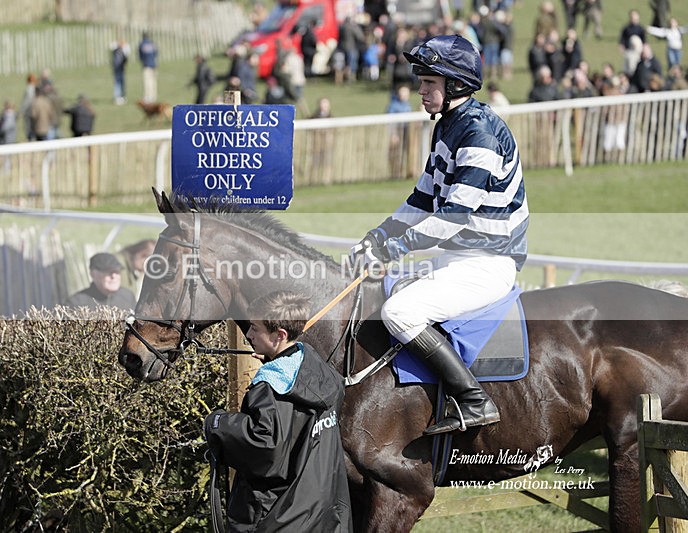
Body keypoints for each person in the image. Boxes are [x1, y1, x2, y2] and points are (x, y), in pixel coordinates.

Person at [350, 35, 528, 435]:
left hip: (487, 263)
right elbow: (422, 199)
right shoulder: (449, 126)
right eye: (421, 80)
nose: (421, 89)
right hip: (460, 258)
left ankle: (473, 399)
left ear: (456, 86)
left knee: (400, 312)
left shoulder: (479, 134)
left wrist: (392, 249)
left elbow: (451, 218)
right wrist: (377, 235)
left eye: (430, 82)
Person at [204, 291, 352, 532]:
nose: (249, 335)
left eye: (254, 328)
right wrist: (274, 360)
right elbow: (295, 423)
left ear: (279, 335)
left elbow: (265, 444)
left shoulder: (270, 386)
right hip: (323, 515)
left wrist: (217, 423)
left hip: (280, 518)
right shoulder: (319, 372)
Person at [66, 252, 136, 310]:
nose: (114, 276)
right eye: (109, 272)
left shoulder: (127, 297)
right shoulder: (76, 303)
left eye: (117, 272)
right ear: (93, 274)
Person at [138, 31, 159, 104]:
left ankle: (148, 97)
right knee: (153, 81)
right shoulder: (152, 43)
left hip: (146, 65)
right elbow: (156, 52)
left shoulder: (142, 44)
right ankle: (153, 96)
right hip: (154, 64)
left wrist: (143, 61)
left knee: (147, 81)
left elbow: (140, 55)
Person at [110, 38, 130, 105]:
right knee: (118, 83)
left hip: (120, 69)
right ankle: (117, 97)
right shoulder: (117, 51)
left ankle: (122, 96)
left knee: (121, 83)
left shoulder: (120, 51)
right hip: (118, 69)